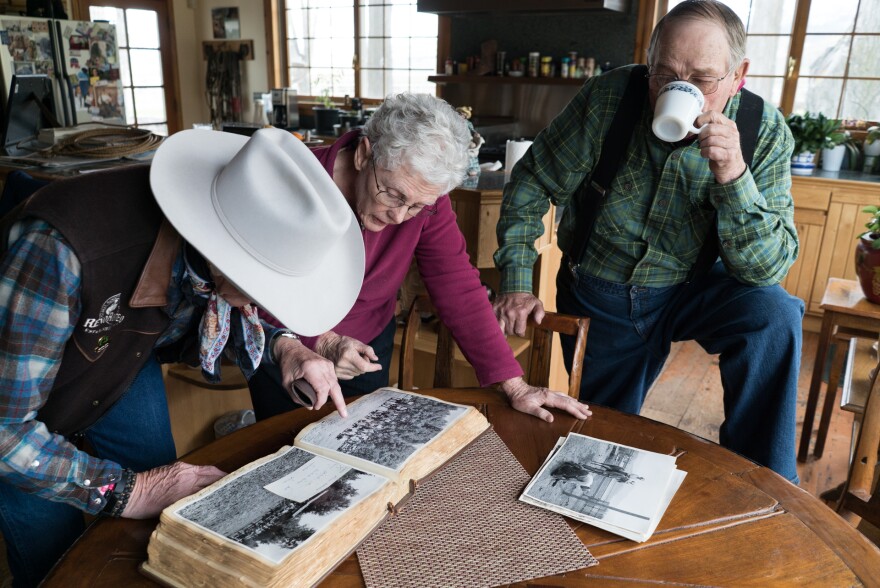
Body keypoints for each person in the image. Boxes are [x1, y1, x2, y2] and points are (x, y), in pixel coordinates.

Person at [0, 127, 365, 587]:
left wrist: (285, 347)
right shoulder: (60, 251)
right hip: (16, 402)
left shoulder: (211, 241)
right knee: (52, 553)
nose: (262, 305)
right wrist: (131, 490)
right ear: (223, 253)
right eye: (264, 286)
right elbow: (5, 431)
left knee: (161, 518)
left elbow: (217, 310)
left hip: (118, 353)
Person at [493, 0, 802, 483]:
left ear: (738, 75)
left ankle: (765, 482)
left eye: (701, 79)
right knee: (595, 446)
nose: (678, 89)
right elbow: (531, 182)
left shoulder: (763, 131)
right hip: (604, 292)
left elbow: (765, 270)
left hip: (697, 288)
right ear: (649, 63)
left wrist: (734, 176)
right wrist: (515, 279)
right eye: (665, 74)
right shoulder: (609, 99)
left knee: (775, 315)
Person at [248, 93, 592, 425]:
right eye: (393, 194)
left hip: (366, 347)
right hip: (287, 344)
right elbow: (245, 286)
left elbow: (456, 283)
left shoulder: (427, 199)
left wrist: (515, 386)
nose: (399, 217)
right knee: (286, 457)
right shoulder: (292, 180)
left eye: (414, 206)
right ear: (364, 155)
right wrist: (318, 341)